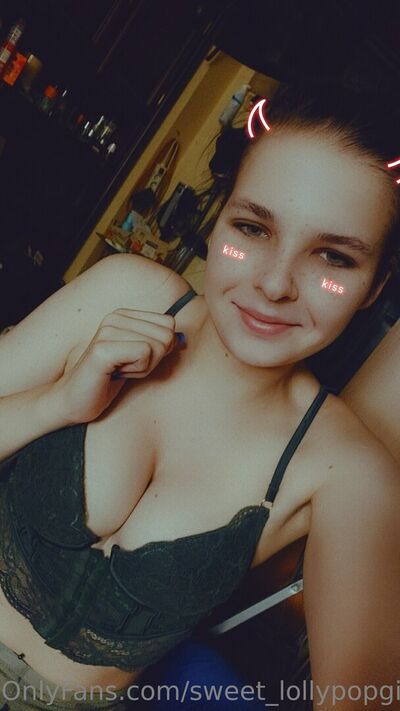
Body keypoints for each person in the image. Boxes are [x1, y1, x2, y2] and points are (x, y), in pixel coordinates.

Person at [0, 82, 399, 710]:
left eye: (333, 258)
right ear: (216, 227)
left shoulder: (348, 472)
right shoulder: (123, 292)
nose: (274, 284)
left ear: (375, 287)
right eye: (253, 228)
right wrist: (56, 405)